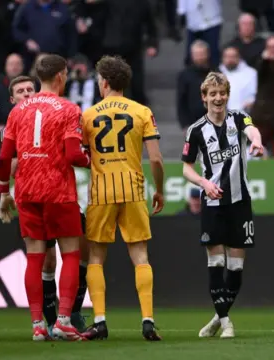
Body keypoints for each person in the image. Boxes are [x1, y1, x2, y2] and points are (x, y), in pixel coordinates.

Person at [0, 54, 90, 341]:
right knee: (71, 254)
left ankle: (38, 325)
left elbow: (4, 156)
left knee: (34, 258)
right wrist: (91, 159)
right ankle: (63, 319)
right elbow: (74, 155)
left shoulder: (18, 110)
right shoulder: (68, 109)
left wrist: (3, 192)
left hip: (26, 190)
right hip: (58, 190)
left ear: (38, 77)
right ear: (61, 75)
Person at [80, 55, 164, 341]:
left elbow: (80, 155)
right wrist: (160, 189)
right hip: (132, 189)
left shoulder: (88, 115)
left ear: (104, 82)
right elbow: (156, 159)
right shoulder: (142, 111)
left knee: (96, 257)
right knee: (140, 255)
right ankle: (148, 321)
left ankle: (100, 321)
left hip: (101, 191)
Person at [182, 72, 264, 338]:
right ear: (204, 97)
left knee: (237, 268)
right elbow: (186, 169)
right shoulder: (195, 131)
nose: (218, 98)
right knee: (216, 262)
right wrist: (204, 184)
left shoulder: (238, 118)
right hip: (213, 202)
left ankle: (218, 317)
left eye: (222, 93)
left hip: (239, 201)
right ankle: (227, 322)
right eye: (213, 94)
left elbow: (251, 129)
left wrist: (256, 141)